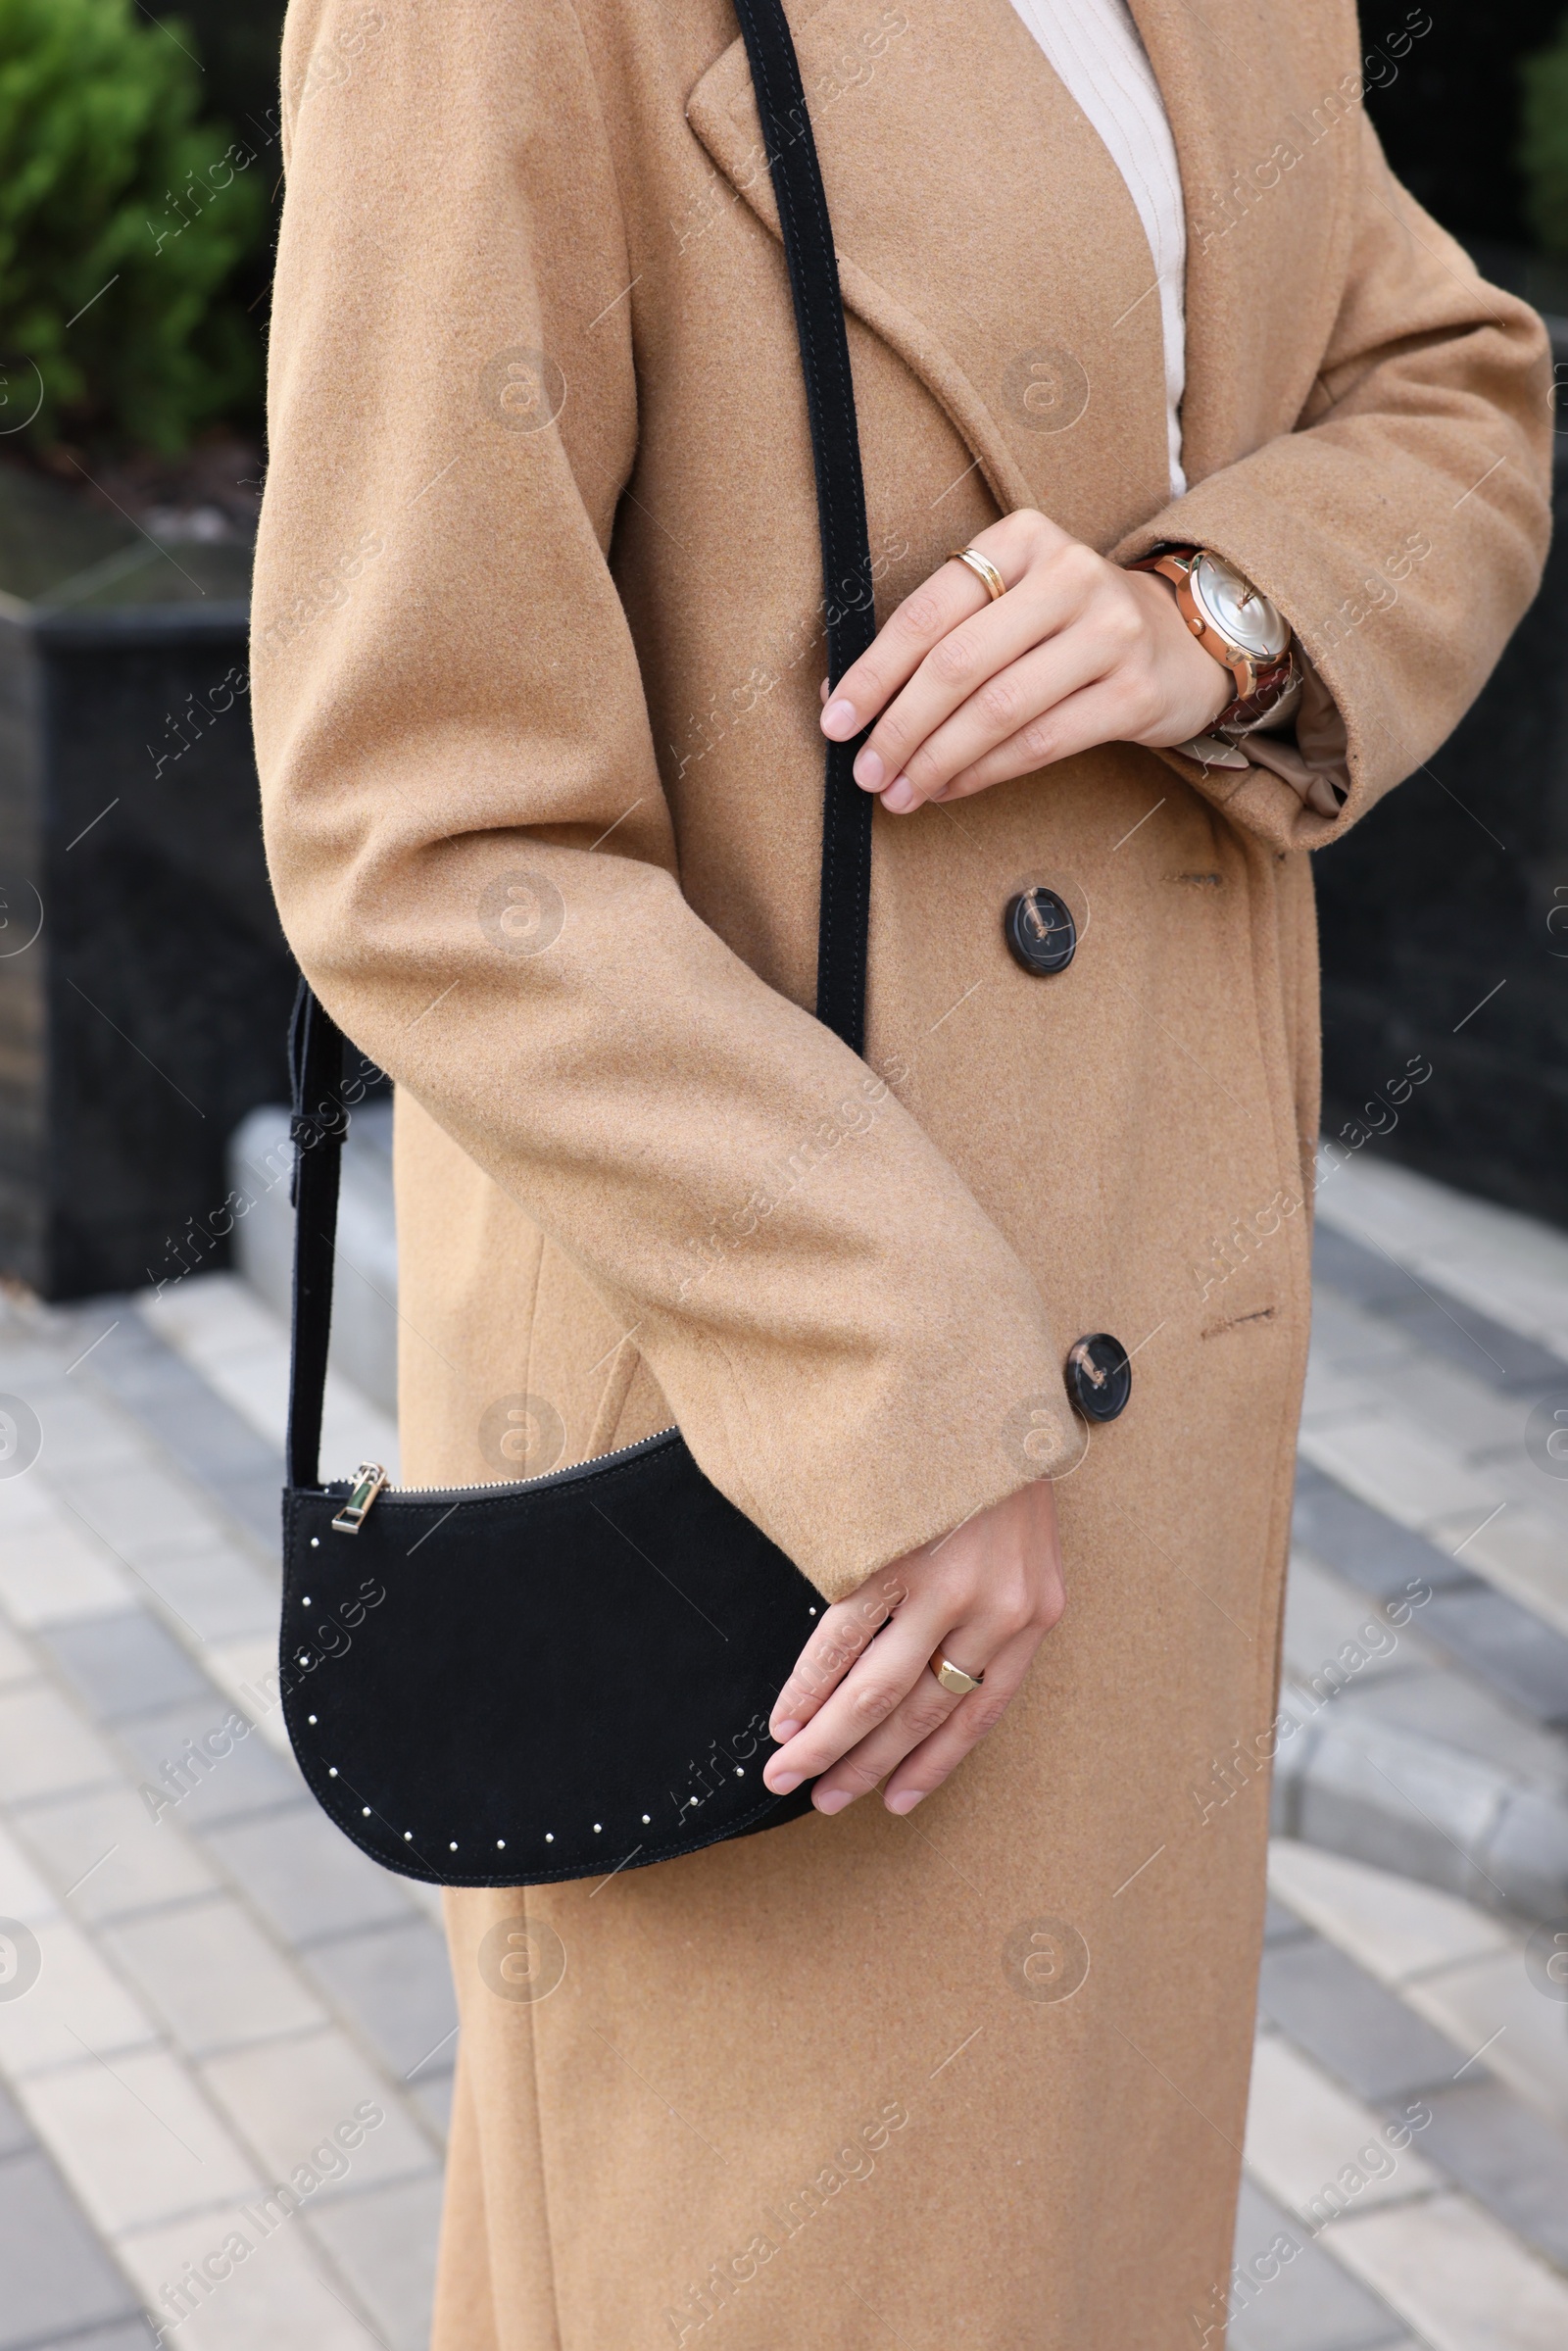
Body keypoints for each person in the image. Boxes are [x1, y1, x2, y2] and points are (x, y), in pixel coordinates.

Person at [252, 0, 1549, 2342]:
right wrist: (893, 1376)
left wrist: (1209, 619)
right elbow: (419, 822)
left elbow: (1447, 382)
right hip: (787, 1455)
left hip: (1148, 1409)